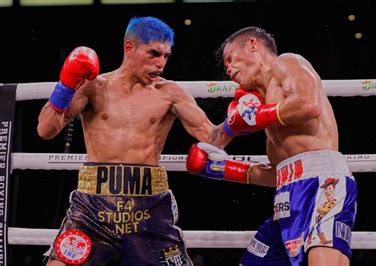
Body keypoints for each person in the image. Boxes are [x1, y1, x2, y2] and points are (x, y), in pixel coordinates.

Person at [37, 16, 229, 265]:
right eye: (154, 54)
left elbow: (211, 139)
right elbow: (45, 130)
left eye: (166, 56)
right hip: (93, 209)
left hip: (149, 210)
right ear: (130, 48)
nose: (161, 63)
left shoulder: (170, 93)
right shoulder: (94, 87)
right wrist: (66, 85)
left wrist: (237, 123)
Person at [186, 26, 357, 266]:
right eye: (225, 65)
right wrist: (221, 166)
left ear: (253, 45)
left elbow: (308, 105)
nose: (228, 68)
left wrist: (257, 116)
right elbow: (279, 174)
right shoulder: (255, 102)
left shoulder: (287, 63)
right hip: (287, 192)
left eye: (231, 58)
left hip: (324, 183)